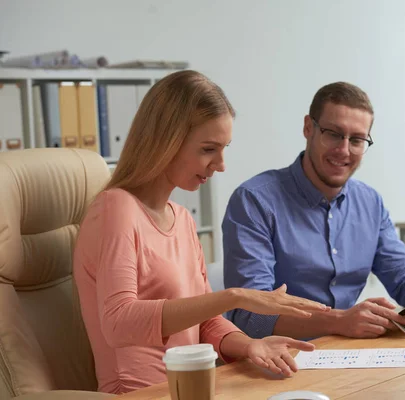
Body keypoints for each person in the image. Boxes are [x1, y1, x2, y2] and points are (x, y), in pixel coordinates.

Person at [73, 70, 330, 395]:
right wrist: (235, 295)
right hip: (141, 392)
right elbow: (119, 322)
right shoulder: (116, 209)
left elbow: (204, 323)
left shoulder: (182, 219)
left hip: (196, 386)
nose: (221, 164)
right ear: (165, 141)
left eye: (224, 148)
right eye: (209, 149)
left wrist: (251, 346)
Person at [222, 81, 405, 340]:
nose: (344, 150)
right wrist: (339, 321)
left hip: (346, 354)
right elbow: (249, 315)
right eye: (334, 134)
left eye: (357, 140)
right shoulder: (254, 201)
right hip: (276, 359)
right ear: (308, 128)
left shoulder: (369, 201)